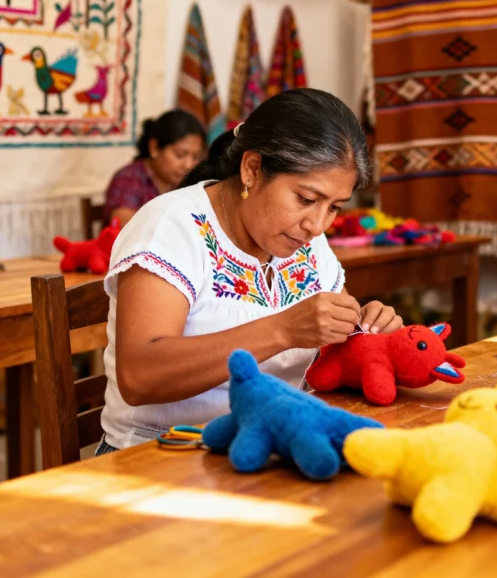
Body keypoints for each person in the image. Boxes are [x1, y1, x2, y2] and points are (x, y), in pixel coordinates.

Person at [98, 89, 402, 452]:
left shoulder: (302, 237)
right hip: (160, 455)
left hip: (269, 443)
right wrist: (282, 330)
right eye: (306, 199)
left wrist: (366, 331)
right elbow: (139, 377)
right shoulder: (171, 226)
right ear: (252, 169)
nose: (318, 225)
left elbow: (335, 343)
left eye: (334, 207)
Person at [103, 109, 206, 228]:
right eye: (180, 154)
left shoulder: (193, 182)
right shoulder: (128, 179)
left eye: (196, 157)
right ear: (154, 148)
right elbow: (128, 228)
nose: (189, 165)